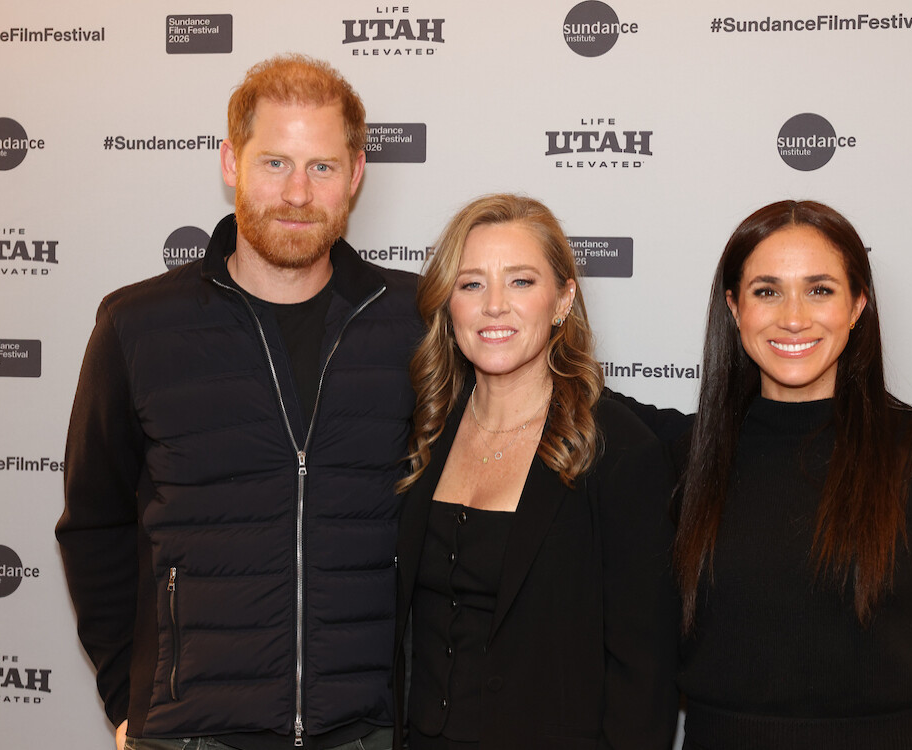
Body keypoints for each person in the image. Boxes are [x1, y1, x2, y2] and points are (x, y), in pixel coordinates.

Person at [55, 55, 423, 750]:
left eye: (320, 166)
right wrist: (125, 696)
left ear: (356, 173)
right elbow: (94, 526)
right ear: (231, 162)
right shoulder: (138, 326)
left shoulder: (411, 320)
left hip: (367, 730)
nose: (296, 192)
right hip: (192, 732)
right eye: (274, 162)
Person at [662, 200, 912, 749]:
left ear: (857, 306)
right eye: (767, 291)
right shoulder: (686, 463)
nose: (794, 316)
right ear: (734, 308)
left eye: (820, 289)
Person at [392, 194, 679, 750]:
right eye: (471, 283)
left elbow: (644, 673)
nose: (494, 305)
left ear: (563, 299)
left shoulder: (617, 450)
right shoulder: (423, 434)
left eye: (521, 281)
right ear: (448, 304)